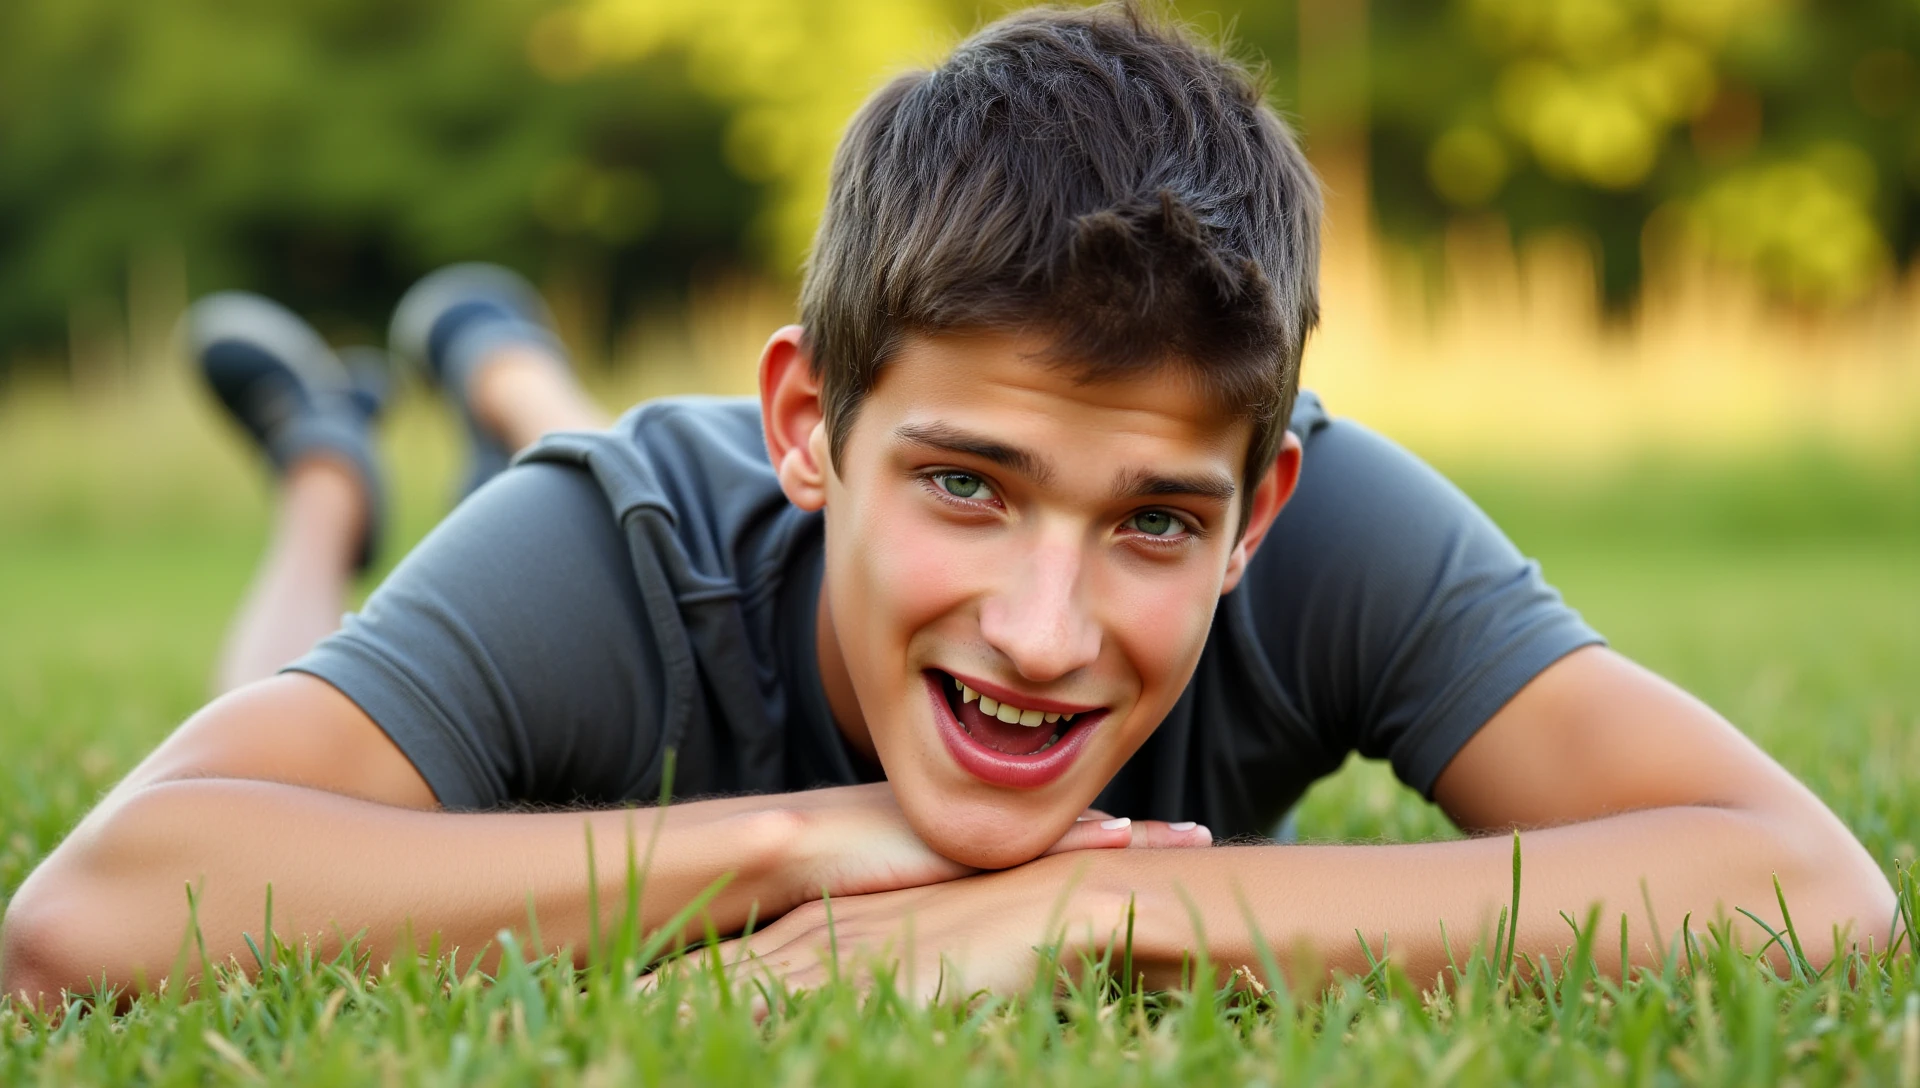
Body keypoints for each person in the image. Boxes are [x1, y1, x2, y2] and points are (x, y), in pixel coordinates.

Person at [1, 3, 1891, 1007]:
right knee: (360, 623)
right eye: (968, 486)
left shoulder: (1330, 525)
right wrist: (798, 847)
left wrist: (1114, 920)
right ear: (810, 424)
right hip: (624, 517)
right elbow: (100, 913)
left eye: (1156, 521)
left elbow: (1807, 890)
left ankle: (486, 368)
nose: (1047, 631)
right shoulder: (619, 543)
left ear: (1260, 504)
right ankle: (341, 474)